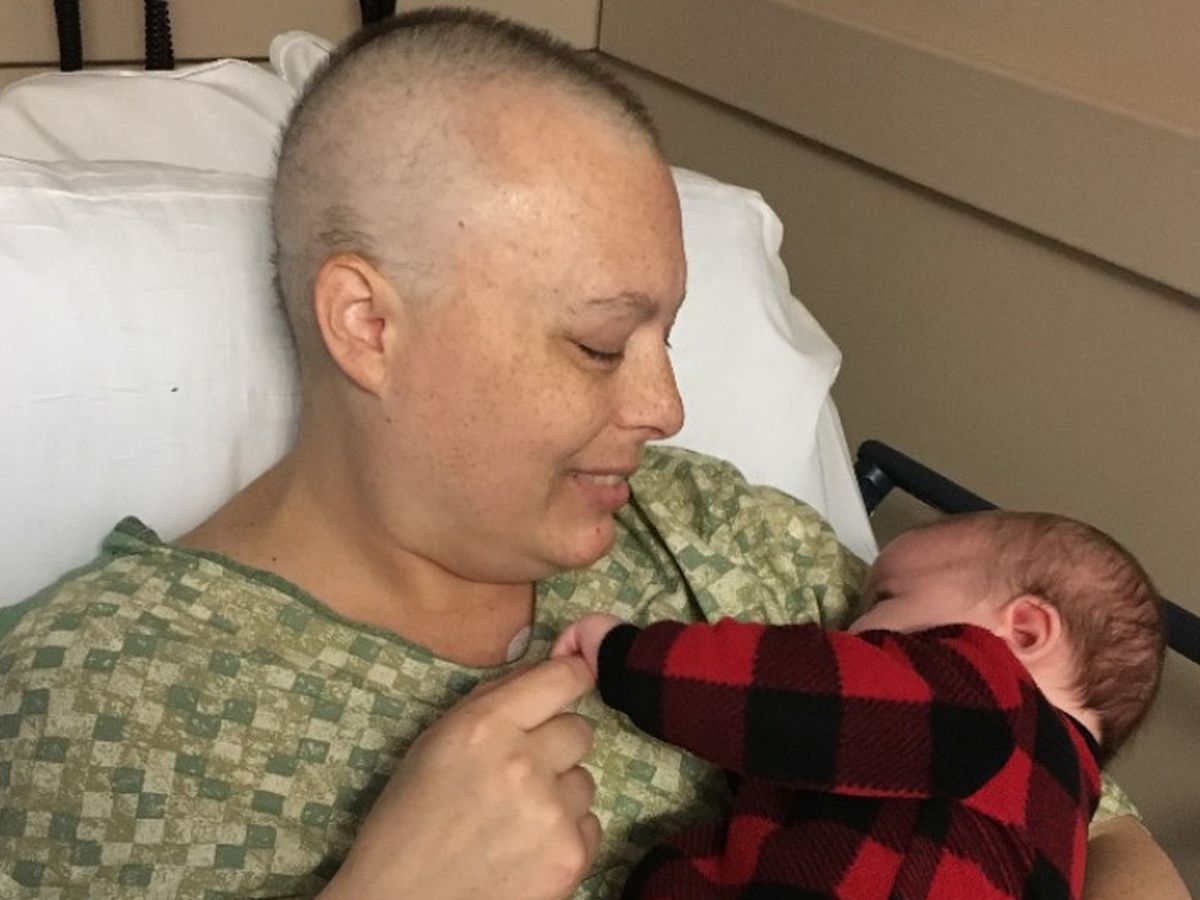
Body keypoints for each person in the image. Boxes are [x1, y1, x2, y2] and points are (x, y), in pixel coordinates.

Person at [0, 8, 1187, 900]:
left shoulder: (731, 535)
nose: (667, 407)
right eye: (600, 344)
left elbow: (1101, 826)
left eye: (669, 337)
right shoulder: (101, 704)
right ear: (368, 325)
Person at [552, 511, 1165, 898]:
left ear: (1023, 632)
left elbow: (792, 696)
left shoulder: (985, 686)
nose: (847, 630)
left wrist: (630, 656)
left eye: (883, 600)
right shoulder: (1064, 823)